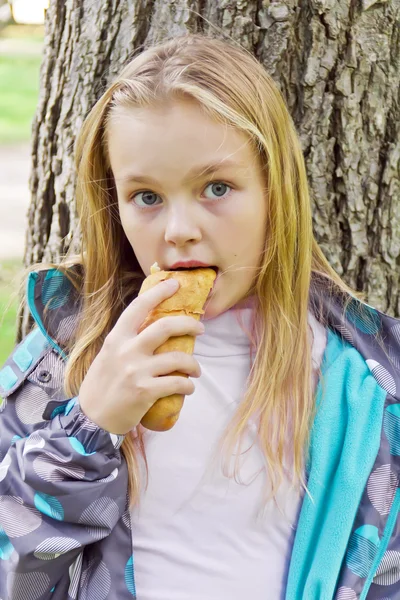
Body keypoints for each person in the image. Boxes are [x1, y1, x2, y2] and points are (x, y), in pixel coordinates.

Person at [0, 32, 399, 600]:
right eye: (146, 196)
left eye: (216, 187)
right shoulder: (66, 360)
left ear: (275, 193)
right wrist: (88, 427)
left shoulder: (368, 389)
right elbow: (15, 579)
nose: (178, 229)